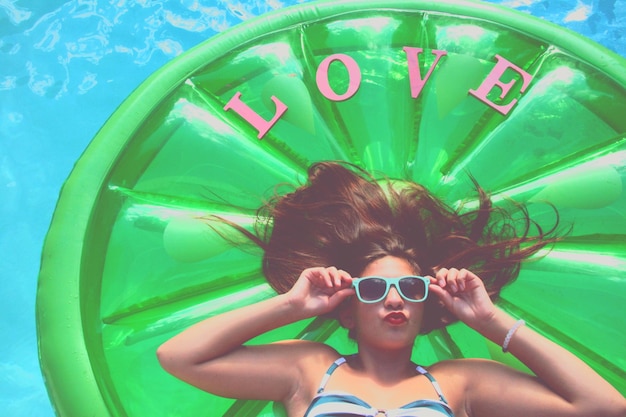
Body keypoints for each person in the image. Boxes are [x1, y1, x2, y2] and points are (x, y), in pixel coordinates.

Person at [157, 161, 626, 417]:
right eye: (375, 288)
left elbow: (603, 407)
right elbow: (178, 356)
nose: (395, 297)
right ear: (346, 309)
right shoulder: (308, 368)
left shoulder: (460, 381)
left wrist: (490, 321)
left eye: (410, 287)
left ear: (426, 306)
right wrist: (291, 306)